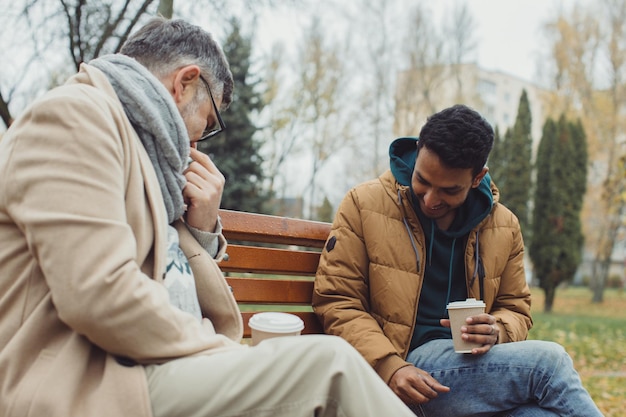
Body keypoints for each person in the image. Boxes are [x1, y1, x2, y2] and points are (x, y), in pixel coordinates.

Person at [0, 17, 417, 417]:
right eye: (210, 120)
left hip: (143, 364)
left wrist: (199, 229)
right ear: (186, 82)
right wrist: (223, 353)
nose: (199, 140)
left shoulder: (148, 155)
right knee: (329, 368)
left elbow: (162, 279)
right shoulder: (73, 116)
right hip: (87, 379)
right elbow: (98, 292)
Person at [313, 104, 603, 417]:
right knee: (550, 364)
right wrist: (390, 366)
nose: (430, 199)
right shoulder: (364, 204)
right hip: (401, 372)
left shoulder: (504, 226)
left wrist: (497, 330)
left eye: (449, 190)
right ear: (418, 150)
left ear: (478, 177)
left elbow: (516, 308)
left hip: (470, 376)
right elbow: (338, 302)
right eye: (422, 180)